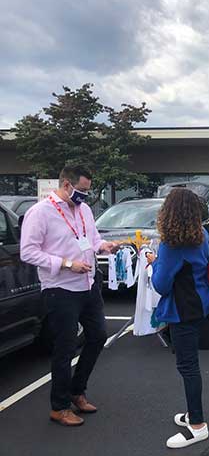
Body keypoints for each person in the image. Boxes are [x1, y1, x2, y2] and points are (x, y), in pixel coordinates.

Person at [20, 165, 119, 426]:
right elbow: (28, 252)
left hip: (88, 284)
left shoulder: (84, 209)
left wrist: (104, 246)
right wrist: (65, 263)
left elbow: (92, 238)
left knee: (98, 336)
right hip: (60, 289)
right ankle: (59, 406)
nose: (85, 196)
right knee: (64, 348)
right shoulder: (40, 213)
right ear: (66, 185)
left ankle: (77, 391)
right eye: (82, 190)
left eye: (87, 191)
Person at [147, 188, 209, 449]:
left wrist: (154, 263)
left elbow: (161, 285)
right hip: (201, 304)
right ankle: (191, 415)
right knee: (191, 364)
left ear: (168, 212)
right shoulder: (203, 234)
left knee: (188, 367)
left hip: (182, 310)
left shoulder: (171, 244)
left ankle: (197, 425)